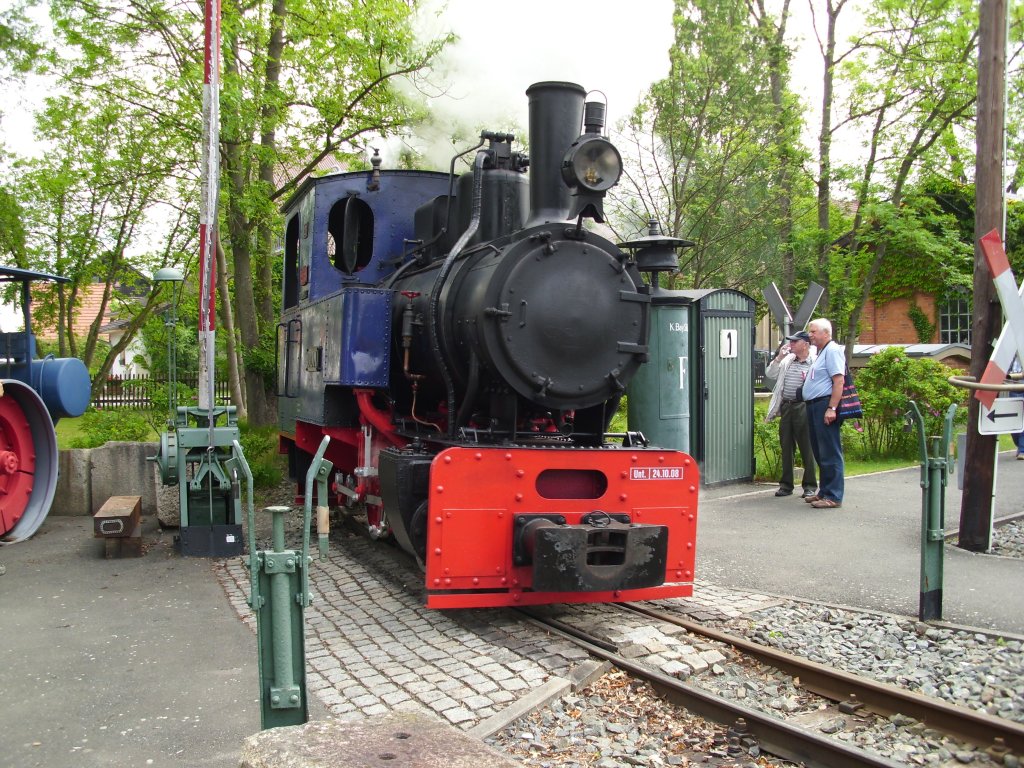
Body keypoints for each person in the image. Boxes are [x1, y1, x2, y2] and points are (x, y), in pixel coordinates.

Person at [765, 330, 817, 498]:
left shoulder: (814, 362)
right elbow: (770, 374)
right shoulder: (787, 360)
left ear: (805, 344)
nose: (791, 344)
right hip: (787, 406)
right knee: (786, 446)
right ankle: (786, 485)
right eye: (791, 341)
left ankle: (809, 485)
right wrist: (779, 357)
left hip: (804, 406)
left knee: (807, 447)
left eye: (795, 341)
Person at [801, 318, 846, 509]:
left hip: (824, 405)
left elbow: (839, 381)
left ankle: (834, 496)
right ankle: (824, 491)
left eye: (813, 331)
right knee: (820, 451)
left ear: (826, 333)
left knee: (830, 451)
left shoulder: (833, 350)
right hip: (814, 405)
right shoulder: (821, 352)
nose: (810, 335)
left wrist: (832, 408)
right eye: (809, 331)